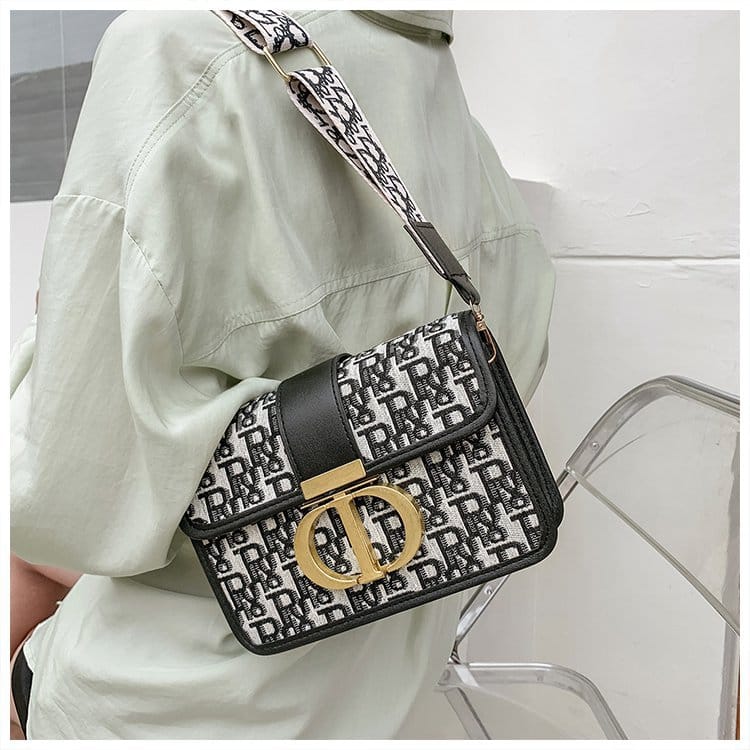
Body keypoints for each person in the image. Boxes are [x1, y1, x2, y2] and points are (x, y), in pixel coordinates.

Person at [9, 9, 555, 740]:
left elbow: (71, 497)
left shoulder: (176, 50)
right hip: (375, 684)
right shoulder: (432, 79)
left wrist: (49, 336)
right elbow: (512, 361)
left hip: (163, 701)